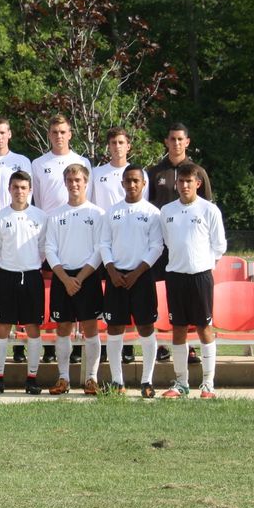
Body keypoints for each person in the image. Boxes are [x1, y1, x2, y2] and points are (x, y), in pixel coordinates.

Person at [159, 163, 226, 399]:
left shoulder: (209, 210)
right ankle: (181, 383)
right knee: (178, 329)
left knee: (204, 328)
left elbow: (219, 247)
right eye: (181, 181)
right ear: (176, 184)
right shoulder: (166, 211)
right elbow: (167, 242)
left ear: (197, 183)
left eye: (189, 181)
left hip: (201, 277)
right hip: (175, 277)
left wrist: (202, 266)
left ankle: (208, 383)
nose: (185, 185)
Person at [147, 122, 213, 364]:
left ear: (187, 142)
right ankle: (165, 345)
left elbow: (207, 209)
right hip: (161, 246)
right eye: (172, 139)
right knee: (163, 297)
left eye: (180, 139)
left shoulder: (198, 172)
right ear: (166, 142)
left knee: (193, 302)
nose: (176, 143)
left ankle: (191, 348)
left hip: (190, 251)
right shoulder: (154, 173)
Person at [31, 114, 92, 366]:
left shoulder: (82, 161)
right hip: (50, 235)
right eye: (54, 132)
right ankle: (50, 347)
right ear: (49, 135)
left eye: (63, 131)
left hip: (78, 237)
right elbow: (36, 200)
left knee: (80, 293)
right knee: (53, 293)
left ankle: (78, 351)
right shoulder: (38, 163)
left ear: (70, 134)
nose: (59, 136)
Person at [98, 164, 163, 397]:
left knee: (146, 327)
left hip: (142, 277)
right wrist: (112, 271)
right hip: (116, 277)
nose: (132, 184)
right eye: (128, 180)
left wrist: (137, 272)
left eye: (136, 180)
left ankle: (147, 381)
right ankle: (117, 382)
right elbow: (104, 244)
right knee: (114, 328)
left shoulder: (153, 213)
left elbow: (157, 246)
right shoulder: (112, 212)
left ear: (144, 184)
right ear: (122, 183)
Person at [44, 164, 105, 395]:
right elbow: (50, 249)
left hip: (87, 277)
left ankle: (91, 378)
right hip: (62, 277)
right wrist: (66, 279)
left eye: (78, 179)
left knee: (91, 327)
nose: (74, 184)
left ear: (86, 182)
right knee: (62, 328)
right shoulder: (55, 215)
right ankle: (63, 379)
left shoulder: (97, 214)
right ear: (65, 182)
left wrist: (78, 278)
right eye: (69, 180)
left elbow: (100, 249)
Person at [0, 171, 48, 394]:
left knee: (32, 327)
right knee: (2, 327)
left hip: (32, 276)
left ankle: (32, 378)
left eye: (24, 188)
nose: (19, 191)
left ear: (30, 190)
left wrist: (29, 264)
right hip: (7, 276)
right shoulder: (0, 217)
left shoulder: (40, 216)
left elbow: (42, 249)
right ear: (9, 189)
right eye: (15, 187)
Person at [89, 126, 141, 366]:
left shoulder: (140, 174)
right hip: (105, 243)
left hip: (131, 245)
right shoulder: (97, 172)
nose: (117, 146)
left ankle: (128, 347)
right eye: (113, 143)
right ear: (108, 146)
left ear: (128, 145)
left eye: (121, 142)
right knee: (107, 297)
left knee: (132, 296)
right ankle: (99, 347)